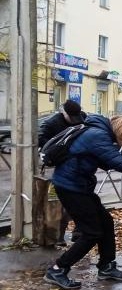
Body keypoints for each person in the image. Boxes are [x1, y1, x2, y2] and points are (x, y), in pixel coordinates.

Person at [44, 115, 122, 290]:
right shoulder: (97, 135)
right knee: (91, 232)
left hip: (79, 186)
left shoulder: (98, 133)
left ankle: (106, 267)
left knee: (106, 222)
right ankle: (57, 269)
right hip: (71, 187)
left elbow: (107, 162)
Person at [38, 100, 87, 246]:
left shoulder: (82, 117)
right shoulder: (52, 123)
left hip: (80, 165)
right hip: (63, 166)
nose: (74, 120)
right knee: (62, 202)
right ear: (63, 112)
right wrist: (58, 152)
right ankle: (58, 236)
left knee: (83, 199)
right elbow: (42, 141)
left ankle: (78, 233)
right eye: (70, 117)